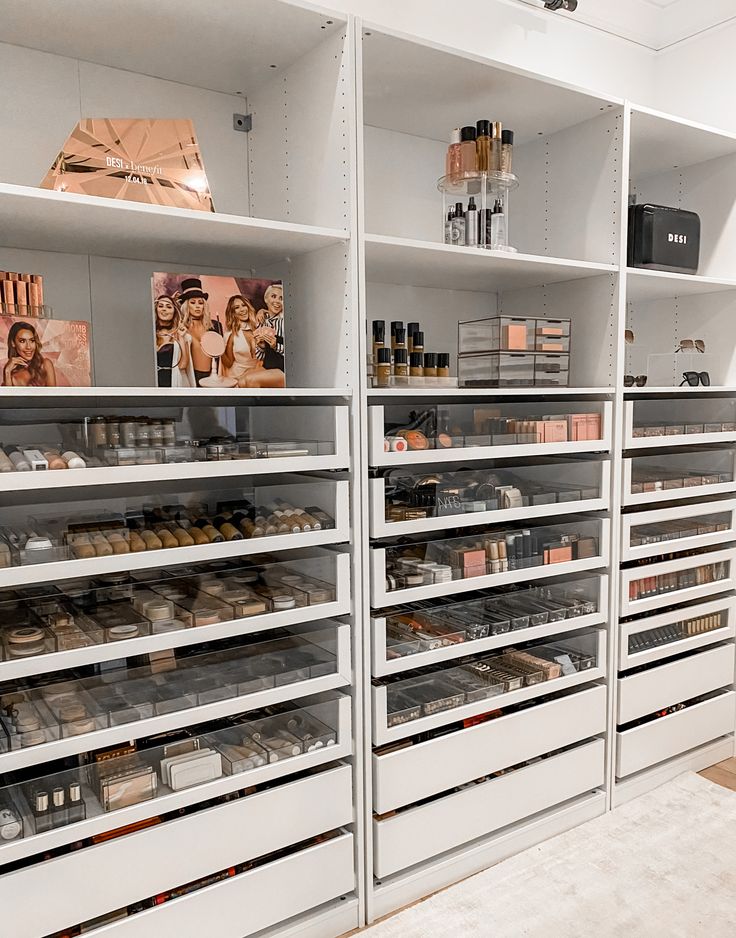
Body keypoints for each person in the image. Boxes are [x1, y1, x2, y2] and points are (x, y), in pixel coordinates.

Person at [178, 278, 224, 387]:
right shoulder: (182, 327)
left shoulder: (215, 325)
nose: (197, 306)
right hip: (192, 377)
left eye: (200, 302)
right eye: (193, 303)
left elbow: (222, 358)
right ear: (186, 305)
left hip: (213, 377)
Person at [221, 294, 264, 386]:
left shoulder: (259, 327)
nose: (242, 309)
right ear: (232, 312)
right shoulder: (231, 335)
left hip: (259, 375)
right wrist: (219, 349)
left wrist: (263, 311)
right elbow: (228, 363)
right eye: (237, 307)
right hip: (238, 378)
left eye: (244, 305)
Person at [2, 321, 56, 387]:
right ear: (13, 343)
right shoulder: (11, 376)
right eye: (22, 341)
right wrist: (7, 372)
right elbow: (8, 397)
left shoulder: (45, 364)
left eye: (32, 341)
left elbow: (53, 396)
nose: (28, 347)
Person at [154, 294, 191, 387]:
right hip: (152, 383)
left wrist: (181, 337)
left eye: (169, 307)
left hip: (172, 382)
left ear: (174, 311)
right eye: (160, 306)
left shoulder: (180, 335)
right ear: (155, 309)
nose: (164, 309)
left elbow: (183, 365)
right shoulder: (149, 333)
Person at [254, 282, 285, 387]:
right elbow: (260, 356)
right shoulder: (262, 320)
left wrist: (276, 346)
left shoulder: (285, 321)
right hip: (268, 367)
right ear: (266, 299)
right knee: (241, 381)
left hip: (283, 369)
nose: (277, 301)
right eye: (273, 296)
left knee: (250, 381)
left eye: (281, 298)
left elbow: (295, 354)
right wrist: (261, 347)